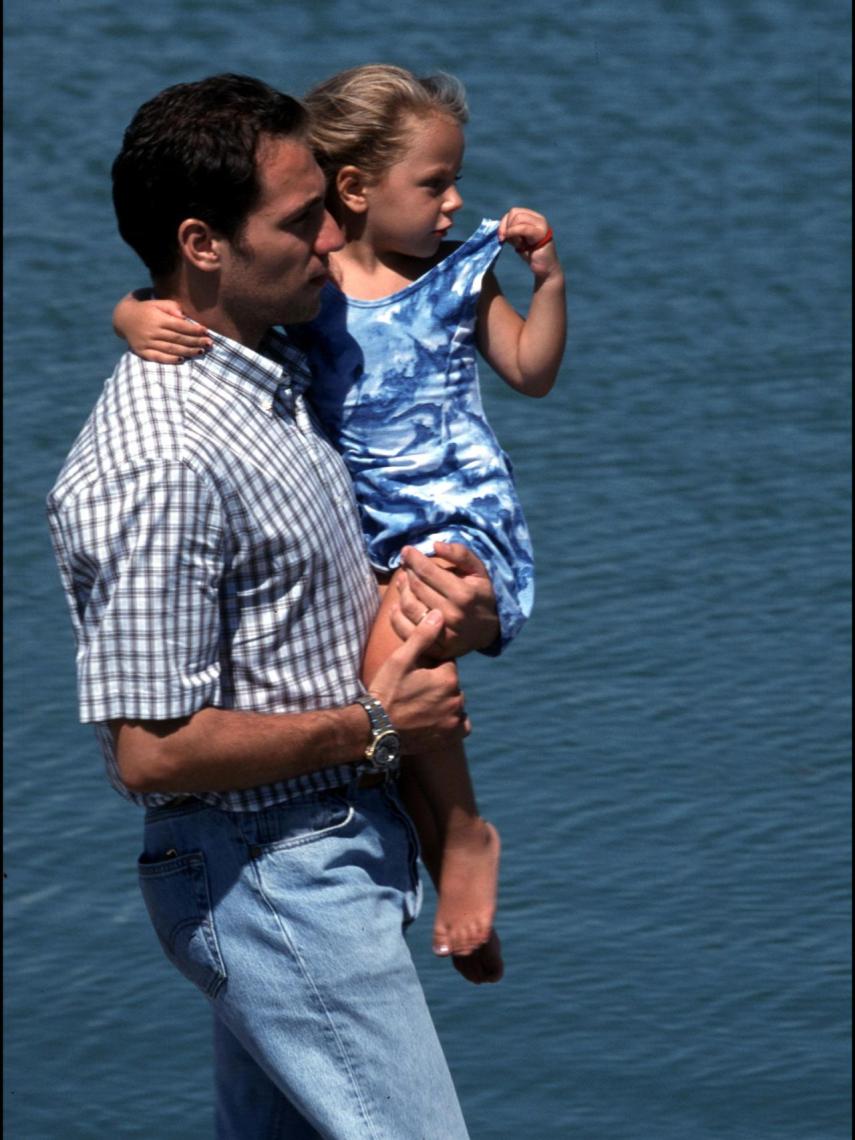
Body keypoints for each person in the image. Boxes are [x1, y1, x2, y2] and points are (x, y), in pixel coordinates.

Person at [47, 73, 505, 1140]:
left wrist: (459, 604)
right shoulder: (160, 458)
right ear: (202, 244)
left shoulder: (268, 367)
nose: (339, 233)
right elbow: (152, 754)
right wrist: (382, 726)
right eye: (304, 221)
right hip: (268, 878)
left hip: (325, 853)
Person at [114, 64, 567, 966]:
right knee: (379, 659)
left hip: (456, 507)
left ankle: (462, 835)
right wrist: (130, 315)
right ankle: (437, 839)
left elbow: (530, 371)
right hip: (372, 521)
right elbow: (180, 300)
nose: (453, 201)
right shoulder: (307, 294)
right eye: (433, 182)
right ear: (355, 188)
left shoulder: (456, 276)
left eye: (453, 180)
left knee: (389, 651)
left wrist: (547, 281)